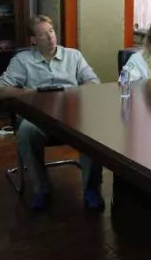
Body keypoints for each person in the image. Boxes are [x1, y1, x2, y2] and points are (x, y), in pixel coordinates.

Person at [0, 15, 104, 210]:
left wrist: (73, 93)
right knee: (27, 132)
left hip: (71, 113)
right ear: (32, 39)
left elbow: (93, 82)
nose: (50, 38)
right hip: (38, 116)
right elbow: (2, 89)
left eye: (51, 31)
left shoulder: (73, 56)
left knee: (93, 134)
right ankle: (42, 189)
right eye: (42, 34)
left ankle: (91, 189)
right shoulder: (22, 60)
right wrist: (31, 93)